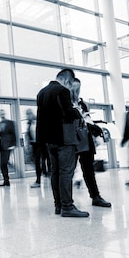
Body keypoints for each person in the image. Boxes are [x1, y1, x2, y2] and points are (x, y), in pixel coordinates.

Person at [36, 68, 88, 217]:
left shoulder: (42, 92)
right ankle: (67, 206)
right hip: (64, 138)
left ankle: (58, 205)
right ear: (67, 80)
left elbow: (41, 119)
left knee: (55, 172)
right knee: (66, 172)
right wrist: (78, 111)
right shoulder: (62, 91)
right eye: (71, 84)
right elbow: (68, 113)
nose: (70, 87)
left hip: (49, 140)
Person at [70, 79, 111, 208]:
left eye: (78, 88)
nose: (76, 91)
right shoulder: (66, 104)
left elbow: (87, 119)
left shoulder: (83, 104)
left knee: (88, 169)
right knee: (69, 170)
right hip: (72, 140)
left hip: (85, 140)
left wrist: (94, 126)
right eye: (74, 88)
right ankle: (66, 201)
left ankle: (95, 196)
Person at [0, 109, 17, 187]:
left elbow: (14, 134)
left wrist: (14, 144)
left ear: (4, 114)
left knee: (4, 162)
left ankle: (7, 178)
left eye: (3, 113)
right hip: (2, 145)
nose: (2, 114)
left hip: (8, 145)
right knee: (2, 164)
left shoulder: (10, 123)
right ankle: (6, 180)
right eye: (0, 113)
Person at [25, 109, 42, 188]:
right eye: (27, 114)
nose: (28, 116)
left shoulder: (39, 121)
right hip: (35, 145)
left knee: (47, 162)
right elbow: (28, 135)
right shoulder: (29, 124)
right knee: (37, 162)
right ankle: (38, 180)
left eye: (29, 114)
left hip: (42, 144)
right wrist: (28, 144)